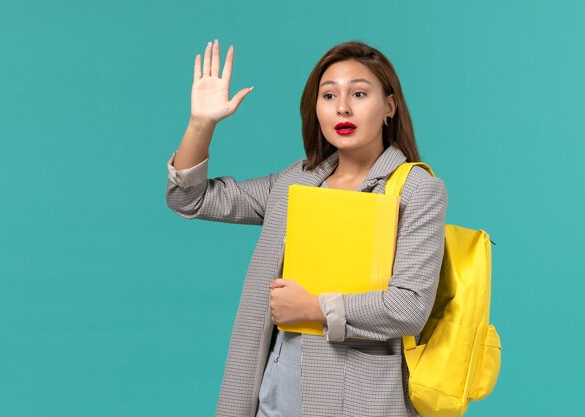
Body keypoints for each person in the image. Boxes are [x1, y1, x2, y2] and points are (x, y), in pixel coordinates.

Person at [166, 39, 447, 417]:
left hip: (362, 398)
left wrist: (315, 308)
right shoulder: (296, 181)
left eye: (359, 93)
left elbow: (408, 306)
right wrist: (201, 123)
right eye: (328, 96)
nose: (342, 107)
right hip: (278, 389)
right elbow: (191, 198)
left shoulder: (417, 190)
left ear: (389, 107)